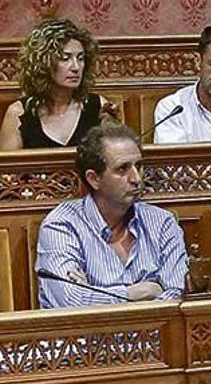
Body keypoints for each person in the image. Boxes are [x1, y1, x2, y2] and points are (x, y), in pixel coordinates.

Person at [35, 125, 188, 308]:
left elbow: (176, 294)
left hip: (154, 334)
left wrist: (94, 293)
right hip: (88, 336)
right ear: (94, 179)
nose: (136, 179)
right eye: (122, 169)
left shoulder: (163, 223)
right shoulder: (62, 226)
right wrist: (143, 291)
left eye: (138, 166)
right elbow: (71, 302)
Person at [0, 18, 119, 150]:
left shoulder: (97, 107)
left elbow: (114, 161)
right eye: (65, 58)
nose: (76, 67)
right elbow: (8, 169)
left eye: (80, 58)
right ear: (44, 63)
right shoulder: (19, 113)